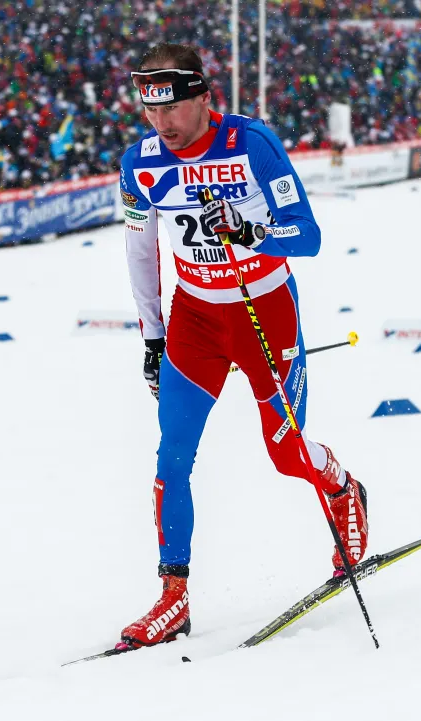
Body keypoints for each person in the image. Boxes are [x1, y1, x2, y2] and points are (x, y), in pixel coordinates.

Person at [117, 43, 369, 649]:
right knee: (170, 459)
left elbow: (305, 235)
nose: (164, 123)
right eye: (152, 111)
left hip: (265, 313)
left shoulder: (249, 143)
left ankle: (343, 490)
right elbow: (140, 252)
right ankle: (172, 599)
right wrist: (153, 336)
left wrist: (253, 231)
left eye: (175, 107)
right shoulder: (139, 163)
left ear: (205, 98)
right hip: (196, 321)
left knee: (285, 453)